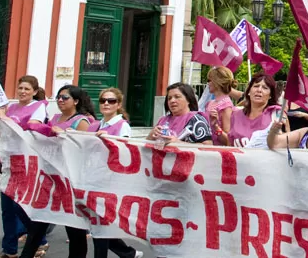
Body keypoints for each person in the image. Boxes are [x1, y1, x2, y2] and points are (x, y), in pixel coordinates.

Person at [18, 85, 95, 258]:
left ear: (75, 101)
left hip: (70, 183)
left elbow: (84, 149)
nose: (60, 100)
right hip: (50, 180)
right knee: (37, 226)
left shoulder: (81, 121)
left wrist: (66, 136)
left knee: (75, 231)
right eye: (59, 97)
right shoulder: (54, 118)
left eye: (65, 97)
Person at [0, 76, 49, 258]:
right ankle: (9, 249)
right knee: (7, 208)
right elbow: (3, 134)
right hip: (9, 160)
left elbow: (31, 130)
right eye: (20, 88)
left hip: (27, 162)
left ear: (35, 92)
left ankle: (39, 239)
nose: (23, 92)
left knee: (20, 207)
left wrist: (5, 118)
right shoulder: (11, 107)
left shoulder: (39, 107)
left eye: (27, 89)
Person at [84, 89, 142, 258]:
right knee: (99, 225)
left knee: (101, 225)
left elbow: (124, 151)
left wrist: (108, 139)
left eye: (111, 101)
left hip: (111, 180)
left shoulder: (122, 125)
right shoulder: (95, 124)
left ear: (118, 104)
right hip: (94, 177)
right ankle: (128, 253)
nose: (106, 104)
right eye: (103, 100)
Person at [149, 83, 213, 145]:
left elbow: (208, 145)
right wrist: (151, 136)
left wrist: (179, 143)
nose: (172, 101)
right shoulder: (163, 120)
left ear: (188, 100)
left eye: (177, 97)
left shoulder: (196, 120)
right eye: (169, 98)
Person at [228, 74, 282, 147]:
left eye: (265, 88)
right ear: (249, 91)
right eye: (256, 86)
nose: (259, 90)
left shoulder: (277, 114)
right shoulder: (235, 114)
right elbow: (229, 145)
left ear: (270, 95)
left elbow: (285, 144)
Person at [204, 66, 236, 145]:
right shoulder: (209, 103)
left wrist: (216, 126)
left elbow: (228, 140)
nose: (208, 83)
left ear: (217, 82)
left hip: (218, 151)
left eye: (209, 80)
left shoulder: (226, 105)